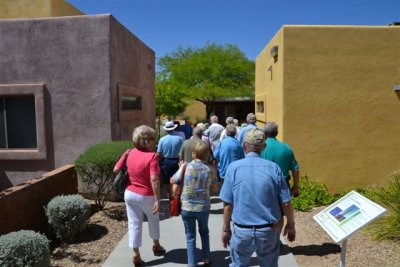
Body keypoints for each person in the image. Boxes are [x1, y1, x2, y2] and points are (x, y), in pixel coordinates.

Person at [219, 128, 296, 267]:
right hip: (268, 231)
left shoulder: (233, 168)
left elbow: (228, 205)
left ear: (243, 145)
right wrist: (291, 225)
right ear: (264, 147)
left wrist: (225, 229)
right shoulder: (274, 169)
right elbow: (286, 203)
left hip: (242, 230)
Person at [113, 125, 166, 267]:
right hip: (146, 195)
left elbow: (116, 169)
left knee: (134, 223)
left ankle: (136, 254)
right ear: (147, 141)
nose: (155, 141)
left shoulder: (128, 152)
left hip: (129, 193)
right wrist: (157, 199)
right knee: (153, 219)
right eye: (153, 139)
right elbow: (154, 179)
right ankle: (156, 245)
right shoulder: (152, 156)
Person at [170, 141, 219, 267]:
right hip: (203, 207)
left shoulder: (186, 166)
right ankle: (206, 258)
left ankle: (192, 263)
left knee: (190, 236)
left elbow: (172, 180)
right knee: (204, 232)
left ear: (193, 154)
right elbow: (214, 188)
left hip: (187, 206)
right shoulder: (210, 169)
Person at [261, 121, 300, 197]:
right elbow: (295, 169)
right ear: (277, 133)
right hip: (283, 185)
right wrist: (296, 186)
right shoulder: (286, 148)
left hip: (265, 184)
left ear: (264, 133)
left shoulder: (260, 148)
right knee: (284, 207)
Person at [157, 121, 184, 197]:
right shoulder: (180, 139)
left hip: (166, 161)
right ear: (174, 128)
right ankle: (175, 196)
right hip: (177, 161)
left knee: (167, 181)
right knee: (176, 180)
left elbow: (159, 153)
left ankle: (170, 195)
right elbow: (182, 152)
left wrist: (159, 163)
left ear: (166, 129)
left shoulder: (162, 139)